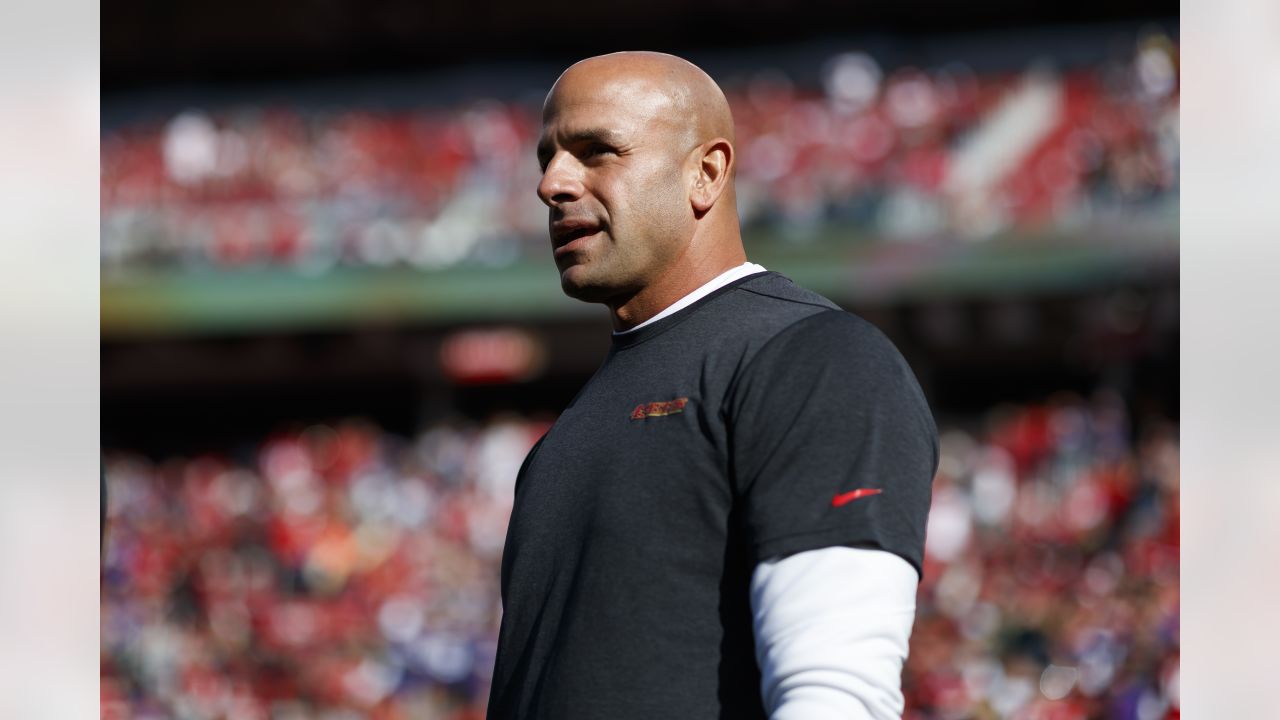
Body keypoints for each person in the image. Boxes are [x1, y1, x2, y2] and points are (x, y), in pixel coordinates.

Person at [487, 51, 937, 720]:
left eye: (596, 151)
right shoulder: (564, 435)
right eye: (547, 157)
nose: (551, 184)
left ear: (707, 171)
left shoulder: (813, 359)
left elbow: (836, 695)